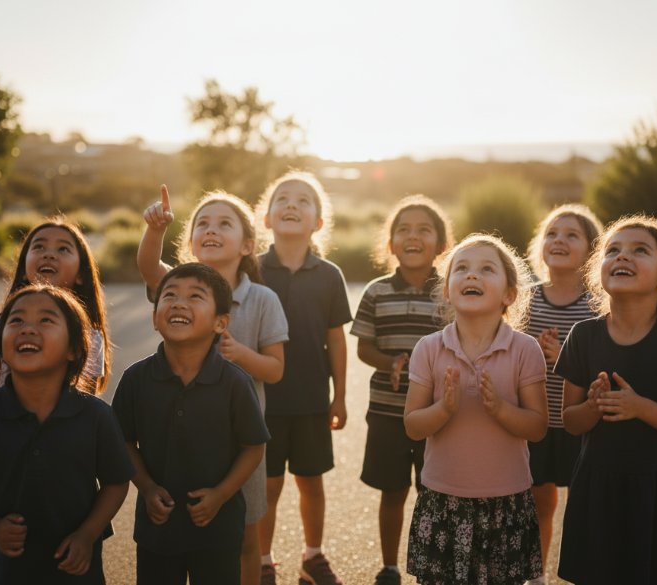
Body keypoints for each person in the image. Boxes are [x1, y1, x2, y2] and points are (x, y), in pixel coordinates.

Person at [137, 187, 289, 585]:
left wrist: (240, 354)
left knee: (244, 538)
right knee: (180, 541)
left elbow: (275, 370)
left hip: (241, 443)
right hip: (180, 436)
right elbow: (148, 265)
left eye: (225, 223)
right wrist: (155, 229)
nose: (211, 229)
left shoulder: (262, 299)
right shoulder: (177, 284)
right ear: (189, 242)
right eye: (202, 222)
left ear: (248, 245)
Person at [0, 283, 133, 584]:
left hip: (75, 569)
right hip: (3, 570)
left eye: (46, 320)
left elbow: (116, 483)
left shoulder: (96, 416)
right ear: (0, 344)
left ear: (74, 349)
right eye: (16, 320)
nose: (27, 328)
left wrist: (87, 535)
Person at [556, 215, 657, 585]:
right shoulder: (583, 336)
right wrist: (593, 407)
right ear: (599, 272)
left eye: (639, 250)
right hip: (598, 487)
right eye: (612, 250)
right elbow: (570, 421)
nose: (622, 256)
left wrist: (639, 407)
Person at [403, 234, 548, 585]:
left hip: (506, 504)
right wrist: (444, 408)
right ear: (447, 291)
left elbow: (538, 426)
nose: (472, 276)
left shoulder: (525, 349)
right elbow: (413, 425)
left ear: (510, 294)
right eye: (462, 269)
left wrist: (499, 409)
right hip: (443, 502)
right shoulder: (429, 348)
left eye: (487, 269)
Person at [112, 262, 270, 584]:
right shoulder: (136, 379)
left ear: (220, 323)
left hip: (218, 528)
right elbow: (123, 443)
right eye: (168, 296)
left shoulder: (234, 382)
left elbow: (254, 447)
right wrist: (147, 486)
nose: (179, 303)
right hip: (157, 529)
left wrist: (221, 494)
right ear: (156, 318)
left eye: (195, 296)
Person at [350, 195, 454, 585]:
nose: (413, 236)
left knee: (436, 495)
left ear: (441, 245)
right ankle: (390, 566)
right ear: (390, 243)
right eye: (403, 230)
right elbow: (363, 346)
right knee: (392, 493)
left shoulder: (449, 292)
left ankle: (433, 567)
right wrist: (388, 362)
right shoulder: (376, 292)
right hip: (387, 412)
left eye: (424, 229)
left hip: (437, 416)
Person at [254, 171, 352, 585]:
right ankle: (261, 560)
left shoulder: (329, 274)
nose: (292, 205)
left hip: (313, 400)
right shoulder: (252, 270)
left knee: (311, 482)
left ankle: (312, 557)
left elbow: (336, 340)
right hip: (263, 401)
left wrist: (341, 396)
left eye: (303, 200)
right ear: (267, 218)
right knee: (268, 486)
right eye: (283, 198)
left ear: (318, 221)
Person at [521, 204, 602, 584]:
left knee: (586, 506)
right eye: (552, 233)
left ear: (591, 250)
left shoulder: (598, 304)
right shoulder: (526, 299)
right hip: (536, 422)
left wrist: (562, 360)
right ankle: (537, 576)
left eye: (572, 235)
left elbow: (605, 363)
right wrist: (535, 355)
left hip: (581, 422)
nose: (559, 240)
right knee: (540, 504)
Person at [0, 217, 111, 398]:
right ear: (22, 269)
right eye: (39, 247)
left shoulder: (90, 336)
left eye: (63, 249)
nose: (49, 254)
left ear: (81, 275)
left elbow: (89, 409)